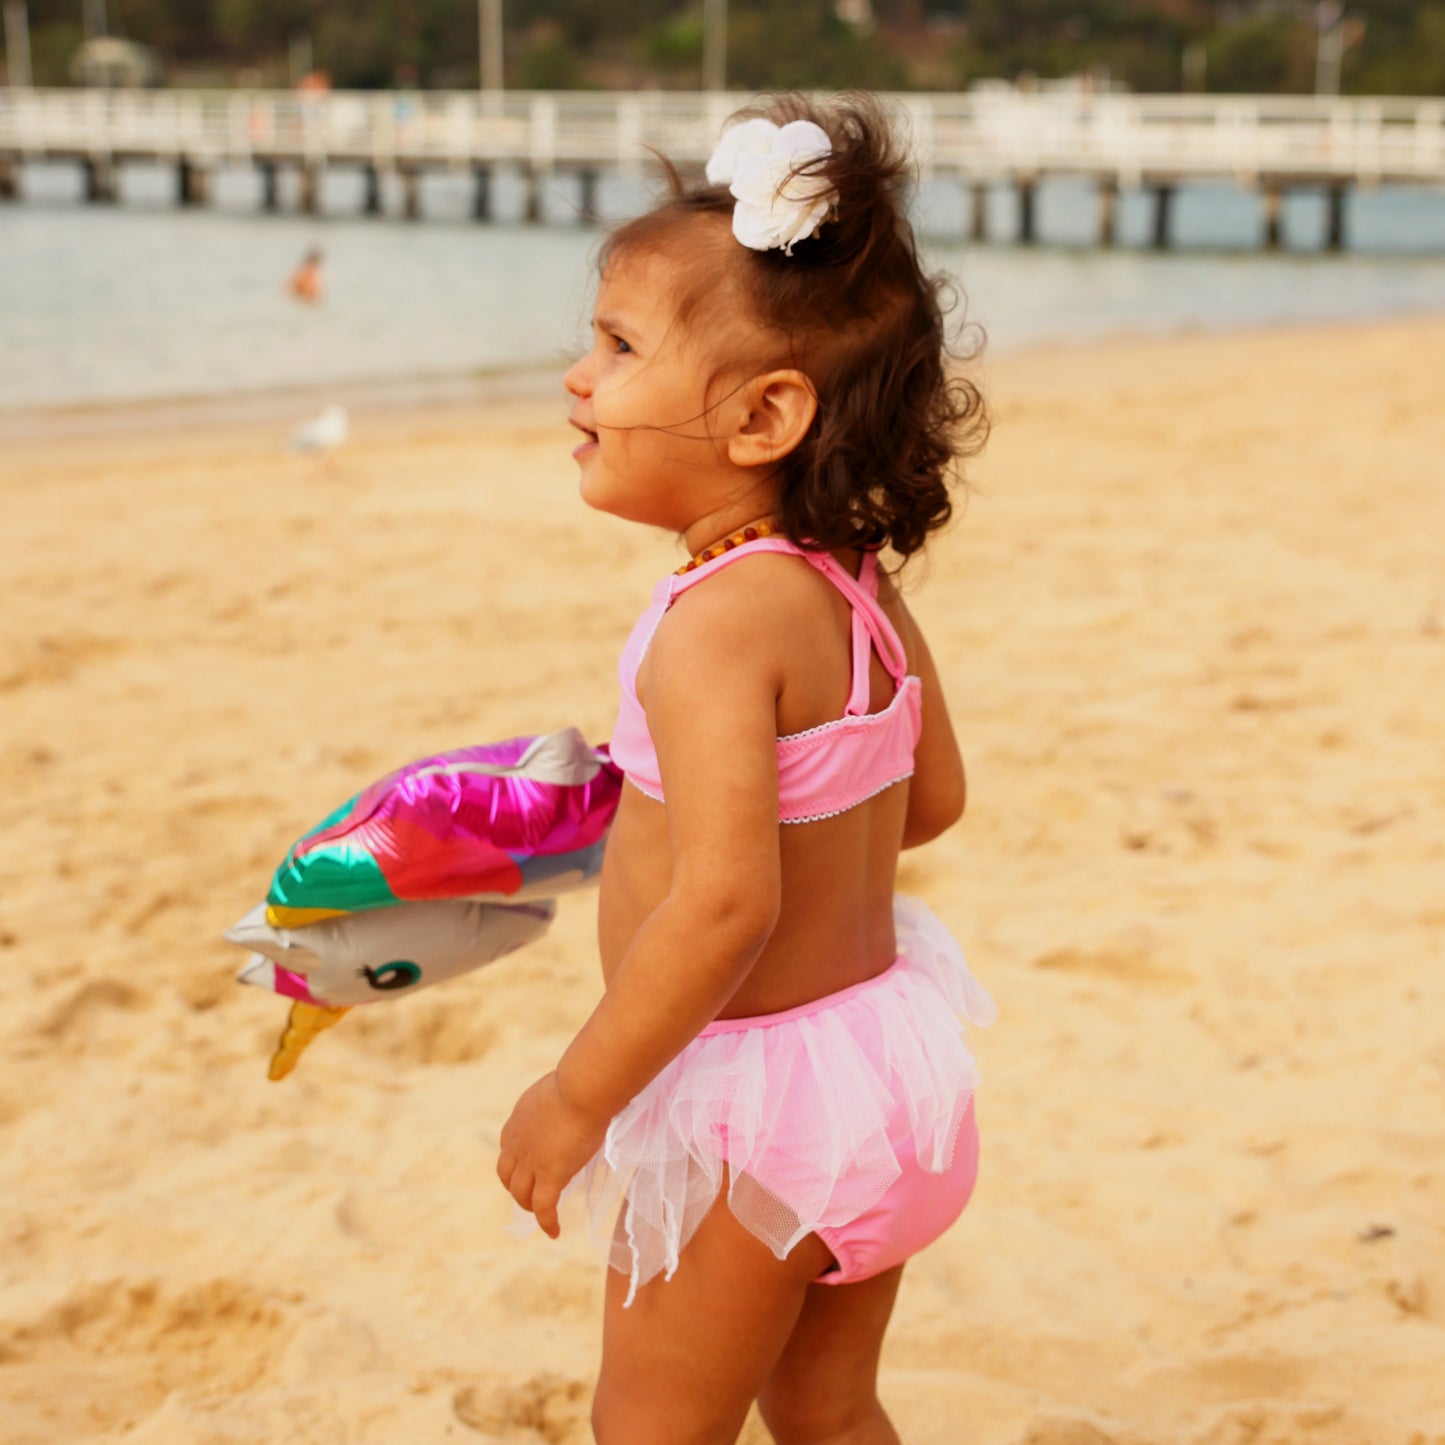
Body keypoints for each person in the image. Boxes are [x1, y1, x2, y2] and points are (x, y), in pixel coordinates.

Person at [497, 92, 995, 1445]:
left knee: (651, 1424)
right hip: (880, 1075)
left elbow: (726, 904)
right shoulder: (853, 579)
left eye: (617, 347)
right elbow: (931, 798)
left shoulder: (712, 626)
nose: (577, 377)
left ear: (765, 416)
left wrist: (577, 1095)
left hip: (752, 1120)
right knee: (829, 1408)